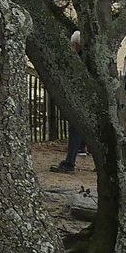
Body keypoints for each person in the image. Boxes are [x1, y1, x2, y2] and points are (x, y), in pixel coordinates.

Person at [51, 30, 87, 173]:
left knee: (75, 130)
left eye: (73, 44)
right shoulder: (85, 57)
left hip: (81, 99)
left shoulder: (80, 59)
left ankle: (69, 162)